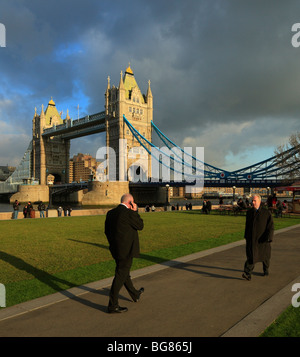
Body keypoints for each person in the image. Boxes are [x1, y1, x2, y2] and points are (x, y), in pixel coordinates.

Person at [105, 193, 144, 313]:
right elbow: (140, 226)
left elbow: (107, 231)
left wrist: (113, 244)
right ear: (130, 203)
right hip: (126, 250)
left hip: (115, 249)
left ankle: (135, 294)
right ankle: (112, 305)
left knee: (124, 273)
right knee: (120, 275)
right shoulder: (128, 213)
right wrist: (135, 211)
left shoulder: (111, 213)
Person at [242, 194, 274, 281]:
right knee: (251, 256)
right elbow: (247, 226)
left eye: (254, 201)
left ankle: (265, 269)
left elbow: (270, 226)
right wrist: (246, 236)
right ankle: (247, 273)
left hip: (263, 239)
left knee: (265, 256)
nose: (253, 202)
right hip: (252, 239)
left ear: (259, 202)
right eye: (252, 200)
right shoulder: (249, 213)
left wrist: (269, 237)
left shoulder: (266, 213)